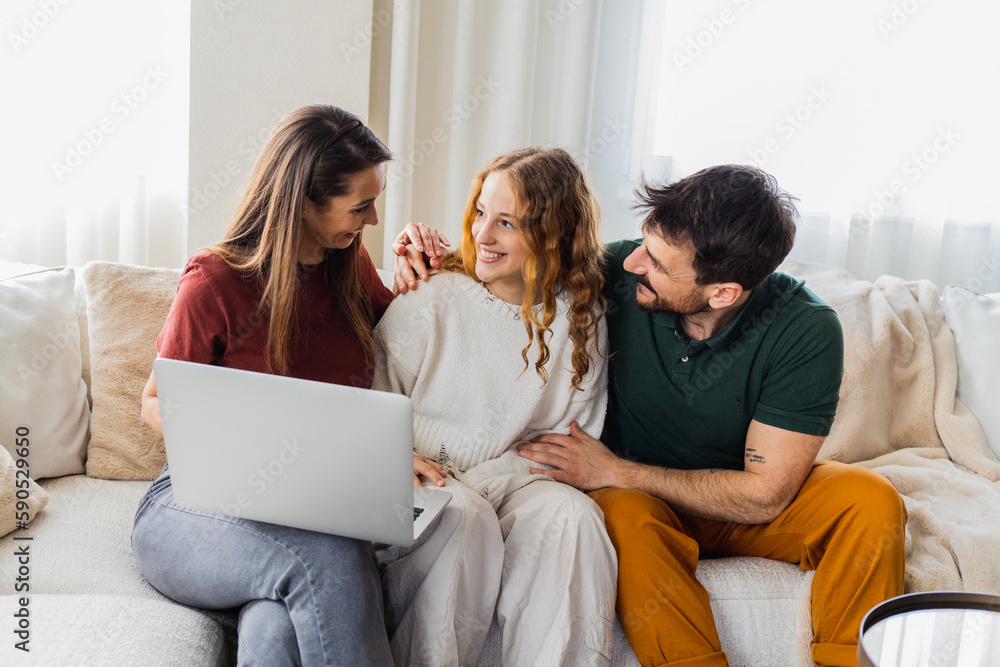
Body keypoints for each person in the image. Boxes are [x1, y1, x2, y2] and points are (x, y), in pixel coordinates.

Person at [394, 165, 908, 667]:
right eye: (643, 243)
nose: (634, 262)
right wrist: (423, 251)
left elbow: (766, 495)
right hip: (641, 503)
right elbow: (521, 257)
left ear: (723, 292)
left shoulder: (805, 329)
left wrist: (618, 471)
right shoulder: (617, 273)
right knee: (622, 519)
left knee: (870, 502)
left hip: (732, 500)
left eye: (658, 263)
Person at [132, 104, 409, 666]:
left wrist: (424, 255)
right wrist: (238, 443)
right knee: (329, 555)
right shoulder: (214, 281)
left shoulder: (348, 269)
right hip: (194, 508)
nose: (373, 220)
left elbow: (415, 339)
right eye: (362, 205)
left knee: (274, 627)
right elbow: (154, 403)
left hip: (307, 507)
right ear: (304, 202)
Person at [373, 147, 618, 667]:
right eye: (481, 212)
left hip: (517, 485)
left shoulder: (583, 320)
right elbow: (371, 404)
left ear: (552, 234)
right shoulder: (430, 298)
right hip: (418, 479)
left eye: (506, 222)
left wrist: (484, 485)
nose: (482, 234)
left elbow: (566, 442)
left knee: (575, 518)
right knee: (461, 515)